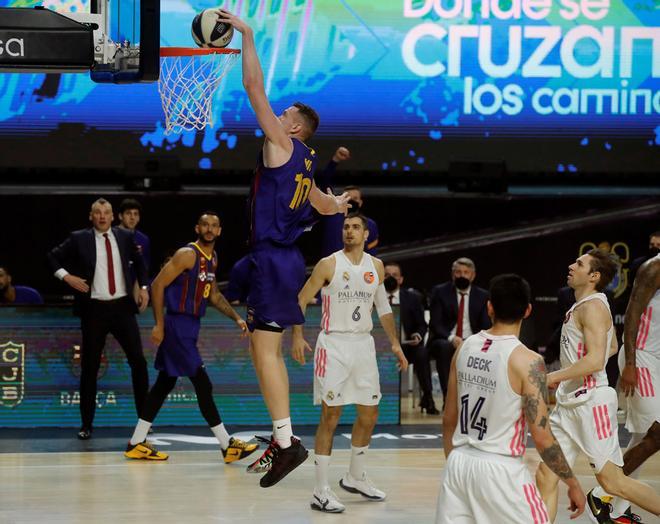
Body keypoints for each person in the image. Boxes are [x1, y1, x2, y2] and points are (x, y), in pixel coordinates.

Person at [216, 9, 351, 488]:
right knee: (260, 349)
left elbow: (254, 89)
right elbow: (322, 204)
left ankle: (287, 441)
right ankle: (282, 439)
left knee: (267, 353)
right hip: (273, 258)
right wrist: (336, 204)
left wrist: (247, 37)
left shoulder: (282, 146)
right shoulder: (307, 161)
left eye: (286, 114)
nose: (278, 115)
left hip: (274, 258)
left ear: (293, 129)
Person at [436, 274, 586, 523]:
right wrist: (572, 483)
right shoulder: (528, 362)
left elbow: (449, 418)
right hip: (501, 469)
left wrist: (454, 463)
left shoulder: (464, 348)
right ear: (527, 310)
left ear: (489, 307)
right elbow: (542, 437)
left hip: (458, 462)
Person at [291, 213, 407, 513]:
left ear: (366, 234)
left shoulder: (376, 266)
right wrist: (297, 336)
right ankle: (320, 490)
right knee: (331, 416)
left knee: (369, 413)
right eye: (346, 227)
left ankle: (355, 476)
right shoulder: (329, 263)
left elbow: (382, 307)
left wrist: (395, 343)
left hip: (363, 346)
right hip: (334, 345)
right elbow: (301, 298)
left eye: (356, 227)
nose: (349, 232)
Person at [535, 249, 660, 521]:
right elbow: (611, 347)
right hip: (571, 402)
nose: (571, 266)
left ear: (594, 276)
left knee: (612, 482)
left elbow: (594, 361)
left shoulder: (592, 307)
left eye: (578, 264)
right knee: (547, 473)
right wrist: (573, 376)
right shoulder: (586, 304)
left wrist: (554, 377)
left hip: (591, 403)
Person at [124, 212, 259, 463]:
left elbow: (215, 295)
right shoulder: (187, 254)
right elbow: (156, 285)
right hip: (177, 325)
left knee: (165, 383)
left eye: (214, 226)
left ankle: (136, 442)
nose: (209, 229)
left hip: (190, 326)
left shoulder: (213, 258)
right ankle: (227, 444)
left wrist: (237, 318)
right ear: (197, 228)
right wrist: (159, 325)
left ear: (219, 231)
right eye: (205, 225)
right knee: (203, 384)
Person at [47, 198, 150, 440]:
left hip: (123, 308)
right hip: (94, 310)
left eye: (106, 212)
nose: (102, 216)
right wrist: (67, 277)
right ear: (91, 217)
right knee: (89, 368)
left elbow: (141, 265)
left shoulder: (125, 237)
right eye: (98, 213)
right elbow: (51, 257)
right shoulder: (79, 238)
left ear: (113, 216)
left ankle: (145, 422)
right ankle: (86, 424)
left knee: (139, 363)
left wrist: (144, 287)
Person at [588, 253, 660, 523]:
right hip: (642, 356)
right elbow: (632, 313)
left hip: (657, 360)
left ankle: (617, 510)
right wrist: (630, 362)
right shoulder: (654, 268)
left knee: (644, 437)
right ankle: (599, 494)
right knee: (658, 432)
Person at [427, 257, 490, 407]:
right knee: (445, 347)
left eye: (466, 272)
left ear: (472, 275)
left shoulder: (483, 296)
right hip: (445, 339)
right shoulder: (440, 292)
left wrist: (470, 341)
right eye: (458, 272)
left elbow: (485, 325)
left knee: (486, 349)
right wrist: (451, 338)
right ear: (452, 274)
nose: (462, 276)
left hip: (472, 340)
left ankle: (476, 401)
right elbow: (435, 323)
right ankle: (448, 399)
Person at [384, 261, 438, 414]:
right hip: (381, 347)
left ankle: (428, 398)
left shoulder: (412, 298)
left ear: (401, 279)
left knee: (422, 353)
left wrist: (417, 335)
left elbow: (422, 324)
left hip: (406, 346)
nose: (391, 278)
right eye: (387, 275)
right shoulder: (373, 296)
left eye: (394, 275)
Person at [117, 198, 151, 277]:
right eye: (128, 213)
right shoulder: (110, 235)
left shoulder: (144, 240)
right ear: (120, 216)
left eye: (136, 214)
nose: (132, 217)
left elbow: (144, 269)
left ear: (139, 218)